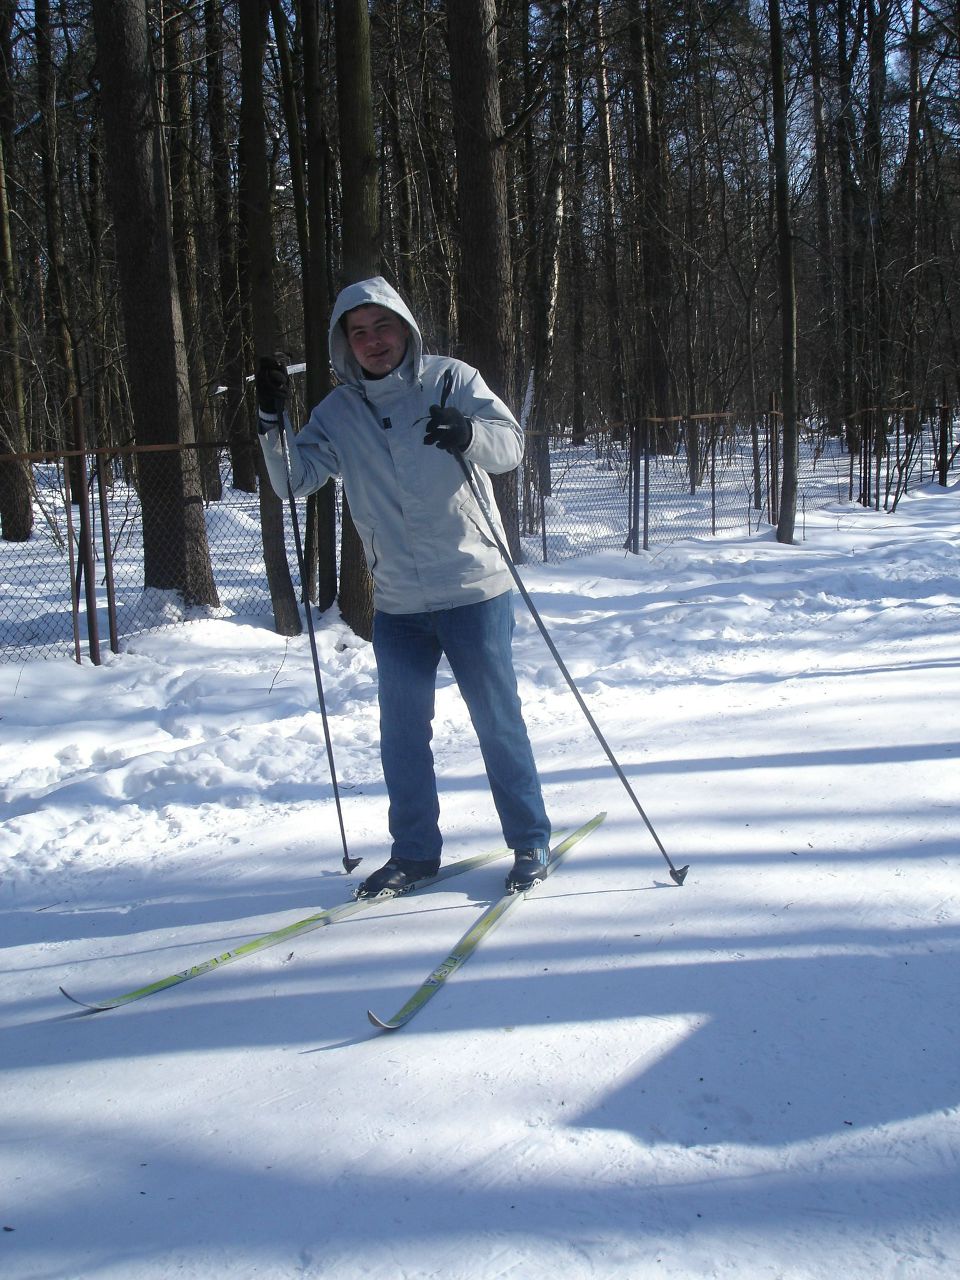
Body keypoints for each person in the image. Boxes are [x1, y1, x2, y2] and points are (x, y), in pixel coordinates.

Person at [255, 276, 551, 898]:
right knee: (402, 735)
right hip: (398, 603)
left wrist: (468, 433)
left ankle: (529, 841)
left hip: (474, 586)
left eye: (380, 326)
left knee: (498, 721)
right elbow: (293, 481)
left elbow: (511, 448)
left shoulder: (451, 380)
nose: (372, 342)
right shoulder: (338, 413)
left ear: (404, 327)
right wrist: (269, 418)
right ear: (345, 344)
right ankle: (415, 854)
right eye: (357, 333)